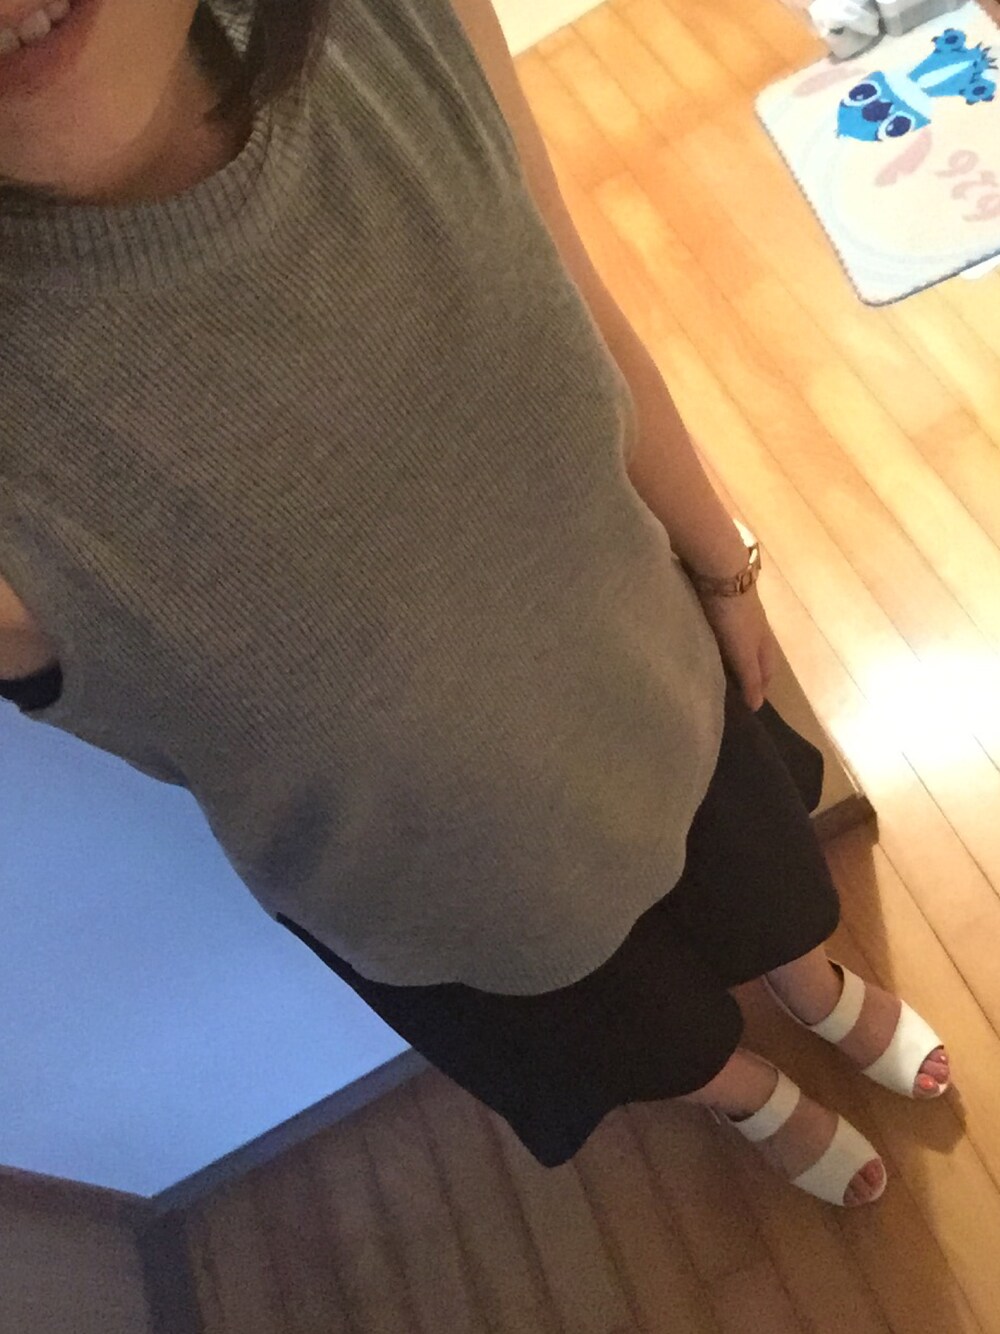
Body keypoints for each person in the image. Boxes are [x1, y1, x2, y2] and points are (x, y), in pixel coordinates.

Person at [0, 0, 950, 1209]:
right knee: (634, 1027)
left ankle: (806, 980)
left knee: (759, 876)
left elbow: (580, 302)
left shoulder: (395, 25)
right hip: (446, 885)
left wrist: (721, 563)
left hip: (649, 679)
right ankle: (741, 1088)